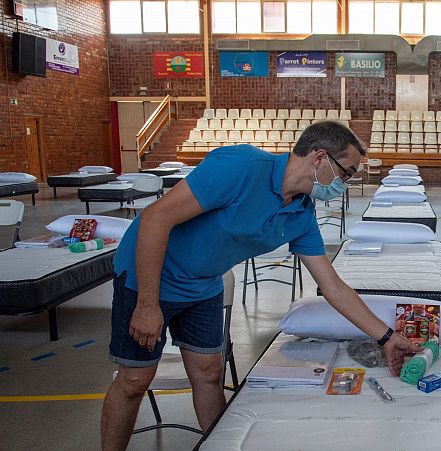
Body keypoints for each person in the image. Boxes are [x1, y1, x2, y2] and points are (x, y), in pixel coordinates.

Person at [100, 121, 422, 450]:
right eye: (347, 173)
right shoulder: (240, 167)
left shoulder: (300, 213)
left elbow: (333, 287)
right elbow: (156, 219)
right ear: (320, 158)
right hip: (151, 277)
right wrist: (147, 304)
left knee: (210, 374)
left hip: (203, 285)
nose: (345, 184)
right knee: (135, 380)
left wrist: (386, 336)